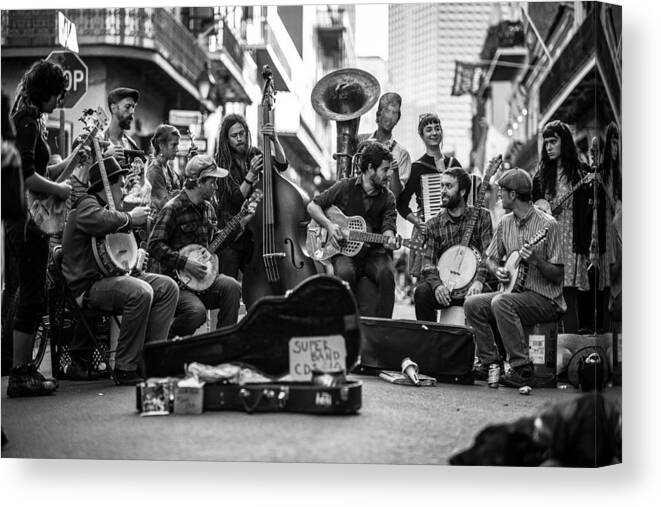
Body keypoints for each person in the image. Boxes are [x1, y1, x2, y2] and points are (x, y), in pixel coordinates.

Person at [61, 156, 179, 384]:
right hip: (90, 287)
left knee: (168, 287)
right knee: (141, 292)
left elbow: (119, 254)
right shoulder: (86, 203)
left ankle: (150, 359)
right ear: (109, 185)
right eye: (122, 184)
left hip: (112, 278)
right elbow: (98, 220)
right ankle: (126, 366)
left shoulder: (108, 209)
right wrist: (129, 218)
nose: (124, 189)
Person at [4, 60, 77, 397]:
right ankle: (20, 373)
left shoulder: (26, 120)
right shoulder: (28, 123)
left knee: (30, 292)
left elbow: (45, 169)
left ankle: (22, 369)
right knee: (30, 295)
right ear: (45, 92)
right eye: (58, 96)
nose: (59, 102)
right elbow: (28, 175)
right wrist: (60, 190)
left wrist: (74, 158)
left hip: (23, 219)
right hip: (26, 222)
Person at [465, 168, 565, 388]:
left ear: (513, 194)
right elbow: (489, 258)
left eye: (502, 191)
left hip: (545, 299)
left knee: (500, 302)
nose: (499, 195)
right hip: (514, 294)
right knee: (472, 304)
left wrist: (537, 261)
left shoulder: (549, 225)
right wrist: (496, 270)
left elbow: (559, 276)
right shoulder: (504, 223)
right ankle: (490, 362)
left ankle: (522, 368)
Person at [148, 154, 244, 337]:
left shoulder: (208, 208)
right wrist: (184, 263)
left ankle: (222, 346)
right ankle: (160, 341)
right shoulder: (173, 208)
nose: (216, 187)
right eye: (213, 182)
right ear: (199, 182)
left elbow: (213, 245)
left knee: (232, 287)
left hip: (203, 281)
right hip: (176, 285)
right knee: (196, 312)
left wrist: (240, 224)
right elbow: (154, 245)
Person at [307, 141, 397, 318]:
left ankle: (383, 328)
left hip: (375, 254)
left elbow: (388, 228)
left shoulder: (388, 198)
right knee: (344, 273)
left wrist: (391, 238)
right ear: (370, 168)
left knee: (387, 274)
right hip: (345, 254)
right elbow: (312, 207)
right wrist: (330, 226)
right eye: (385, 170)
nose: (389, 174)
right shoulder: (344, 187)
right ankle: (346, 324)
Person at [532, 120, 596, 333]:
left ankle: (570, 341)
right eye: (546, 142)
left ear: (564, 142)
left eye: (553, 141)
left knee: (569, 293)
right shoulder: (540, 176)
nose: (548, 147)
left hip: (571, 236)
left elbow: (591, 211)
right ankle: (550, 345)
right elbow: (533, 209)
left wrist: (589, 192)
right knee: (549, 292)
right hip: (549, 239)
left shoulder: (580, 172)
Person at [213, 114, 288, 278]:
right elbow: (235, 200)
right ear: (226, 139)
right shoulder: (221, 164)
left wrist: (274, 139)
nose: (239, 139)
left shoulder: (254, 153)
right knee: (229, 279)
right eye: (234, 136)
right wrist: (251, 174)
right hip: (231, 234)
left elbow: (282, 165)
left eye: (242, 133)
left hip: (254, 232)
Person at [414, 167, 492, 321]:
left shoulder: (483, 216)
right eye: (442, 185)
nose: (443, 190)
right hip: (447, 288)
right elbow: (428, 263)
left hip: (474, 288)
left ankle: (487, 345)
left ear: (462, 192)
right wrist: (437, 285)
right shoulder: (434, 224)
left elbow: (488, 254)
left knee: (495, 295)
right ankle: (430, 339)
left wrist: (479, 281)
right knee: (421, 293)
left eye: (449, 186)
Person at [357, 92, 411, 199]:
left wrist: (394, 171)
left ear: (398, 119)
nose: (390, 117)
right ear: (379, 113)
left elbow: (395, 195)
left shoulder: (402, 154)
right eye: (387, 111)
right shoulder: (360, 140)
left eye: (394, 113)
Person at [146, 123, 183, 213]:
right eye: (174, 145)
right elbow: (165, 204)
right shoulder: (154, 172)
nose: (177, 149)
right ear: (161, 145)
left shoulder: (168, 168)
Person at [103, 87, 142, 168]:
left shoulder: (132, 145)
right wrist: (105, 158)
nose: (132, 111)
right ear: (114, 108)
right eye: (127, 107)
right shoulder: (99, 141)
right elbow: (84, 177)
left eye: (133, 107)